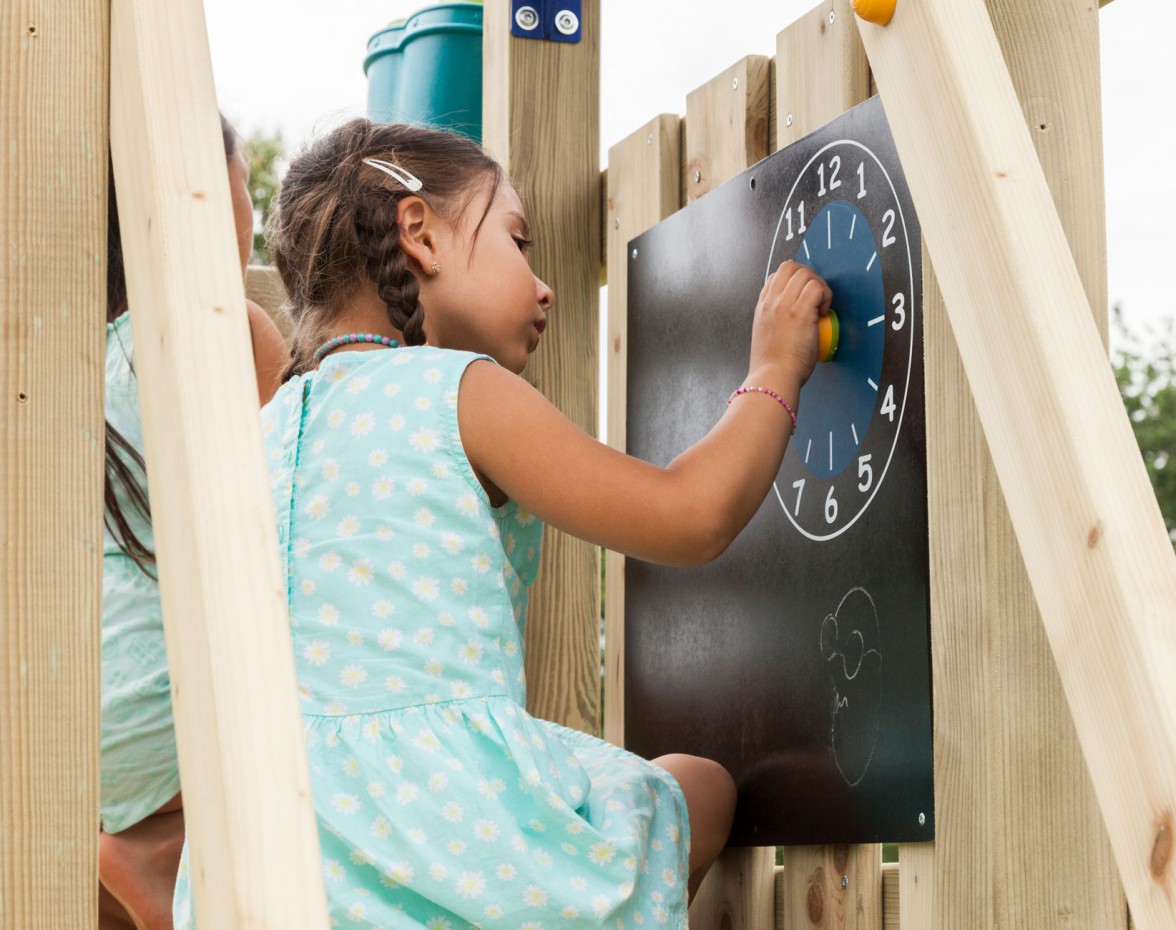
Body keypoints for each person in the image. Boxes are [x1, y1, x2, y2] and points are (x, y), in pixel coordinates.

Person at [172, 119, 830, 930]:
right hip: (449, 840)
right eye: (518, 241)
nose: (543, 282)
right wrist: (772, 370)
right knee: (697, 786)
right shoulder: (456, 389)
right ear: (420, 235)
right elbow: (688, 515)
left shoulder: (260, 434)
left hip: (266, 857)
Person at [99, 113, 289, 930]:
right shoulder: (221, 331)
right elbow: (290, 514)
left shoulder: (65, 357)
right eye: (249, 187)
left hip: (82, 720)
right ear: (207, 199)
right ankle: (153, 848)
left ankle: (144, 841)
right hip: (166, 723)